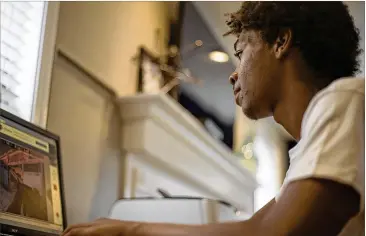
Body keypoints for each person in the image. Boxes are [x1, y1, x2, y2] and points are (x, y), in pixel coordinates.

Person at [62, 2, 364, 236]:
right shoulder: (311, 149)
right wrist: (131, 228)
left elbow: (267, 234)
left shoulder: (346, 100)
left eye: (242, 50)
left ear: (281, 41)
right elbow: (255, 226)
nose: (234, 73)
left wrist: (130, 230)